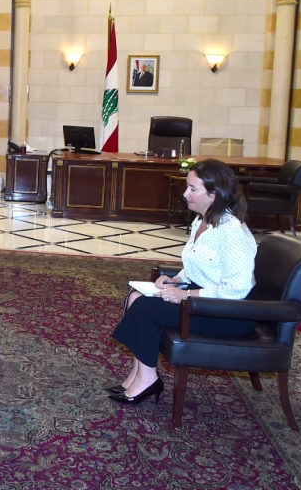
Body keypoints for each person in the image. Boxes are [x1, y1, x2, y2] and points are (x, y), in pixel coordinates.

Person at [108, 159, 257, 405]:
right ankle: (138, 373)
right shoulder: (202, 221)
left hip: (229, 313)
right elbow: (199, 266)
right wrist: (176, 279)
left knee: (145, 308)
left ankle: (148, 379)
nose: (185, 193)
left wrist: (186, 295)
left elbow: (236, 289)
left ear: (215, 194)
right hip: (206, 300)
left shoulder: (231, 231)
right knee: (135, 297)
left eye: (192, 189)